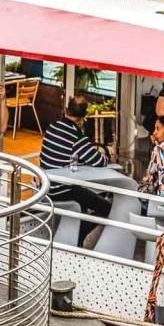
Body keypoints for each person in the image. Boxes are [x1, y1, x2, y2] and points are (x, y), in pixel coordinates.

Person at [39, 96, 112, 243]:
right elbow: (100, 161)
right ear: (83, 117)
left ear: (66, 110)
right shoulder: (77, 137)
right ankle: (78, 237)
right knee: (106, 208)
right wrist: (107, 155)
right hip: (61, 190)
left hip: (44, 187)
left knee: (85, 199)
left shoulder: (52, 127)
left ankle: (76, 237)